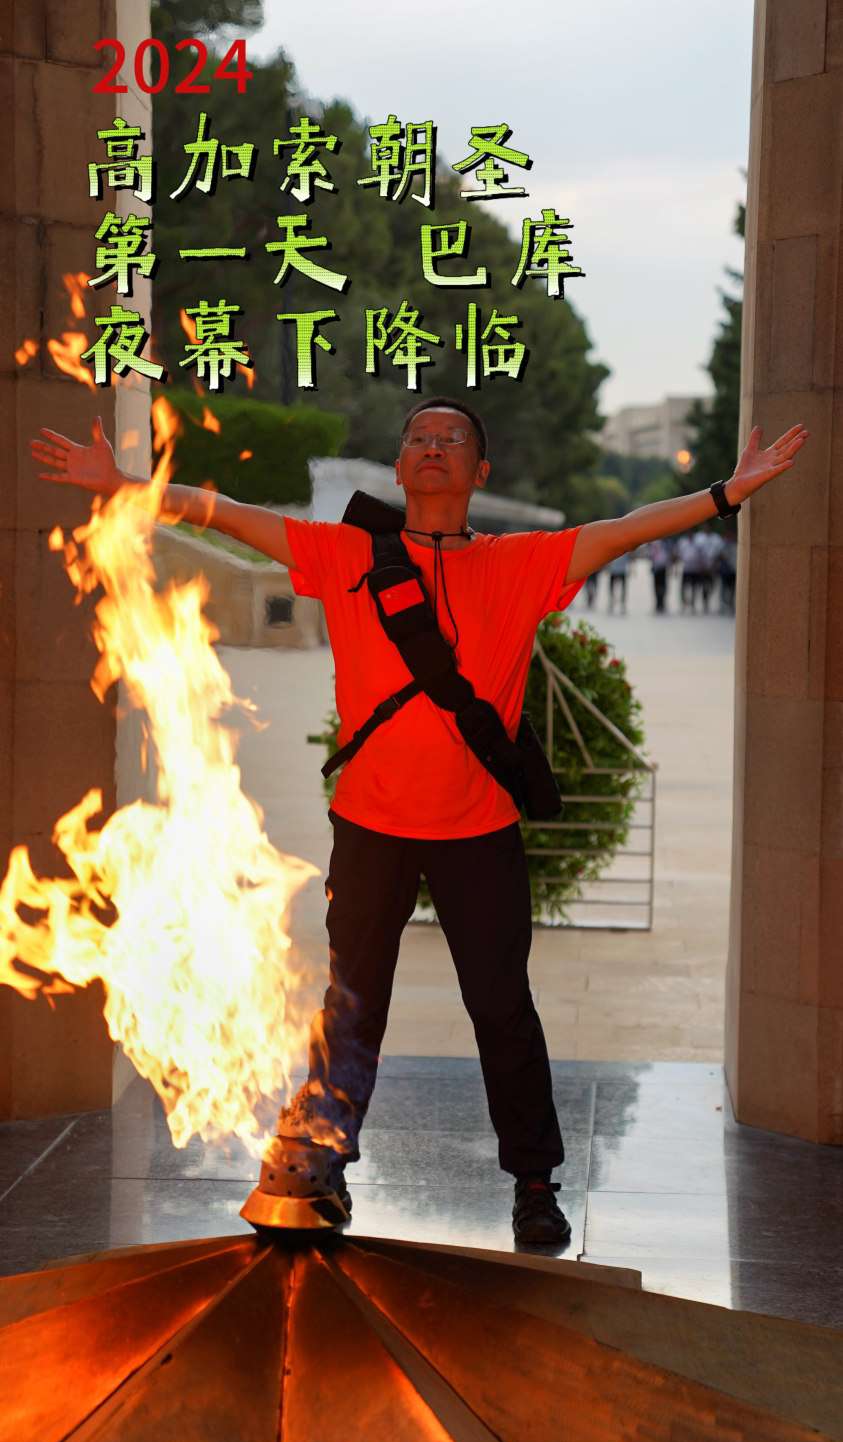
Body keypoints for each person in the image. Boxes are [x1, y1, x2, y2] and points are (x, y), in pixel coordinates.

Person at [31, 401, 808, 1246]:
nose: (432, 447)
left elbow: (626, 529)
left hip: (479, 831)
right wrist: (127, 484)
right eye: (418, 439)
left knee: (502, 1009)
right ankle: (323, 1162)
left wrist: (725, 494)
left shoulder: (522, 563)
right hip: (370, 827)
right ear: (398, 469)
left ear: (480, 471)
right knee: (351, 1007)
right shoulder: (344, 552)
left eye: (452, 440)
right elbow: (229, 515)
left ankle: (534, 1182)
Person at [648, 538, 670, 612]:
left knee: (663, 585)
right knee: (657, 585)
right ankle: (658, 600)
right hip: (657, 567)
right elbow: (651, 555)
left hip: (663, 567)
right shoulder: (655, 544)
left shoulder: (666, 544)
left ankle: (662, 600)